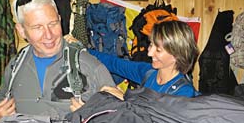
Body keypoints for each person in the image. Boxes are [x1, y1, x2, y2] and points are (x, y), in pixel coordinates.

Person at [0, 0, 115, 123]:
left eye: (53, 24)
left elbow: (118, 116)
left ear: (59, 20)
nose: (49, 35)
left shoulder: (88, 65)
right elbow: (1, 100)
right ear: (22, 31)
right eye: (37, 27)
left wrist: (91, 118)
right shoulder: (15, 66)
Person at [69, 20, 199, 109]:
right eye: (151, 45)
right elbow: (114, 63)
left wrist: (126, 99)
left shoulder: (184, 93)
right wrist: (82, 49)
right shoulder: (148, 72)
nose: (149, 53)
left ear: (177, 55)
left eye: (158, 50)